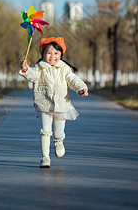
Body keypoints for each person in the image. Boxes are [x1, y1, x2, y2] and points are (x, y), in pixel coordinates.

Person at [19, 37, 88, 168]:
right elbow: (32, 75)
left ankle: (59, 141)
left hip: (61, 105)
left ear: (61, 54)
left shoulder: (64, 68)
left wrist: (81, 88)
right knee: (45, 131)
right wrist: (26, 69)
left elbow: (73, 80)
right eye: (49, 53)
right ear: (43, 54)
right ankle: (45, 157)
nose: (52, 56)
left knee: (58, 132)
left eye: (56, 53)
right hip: (44, 103)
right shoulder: (39, 68)